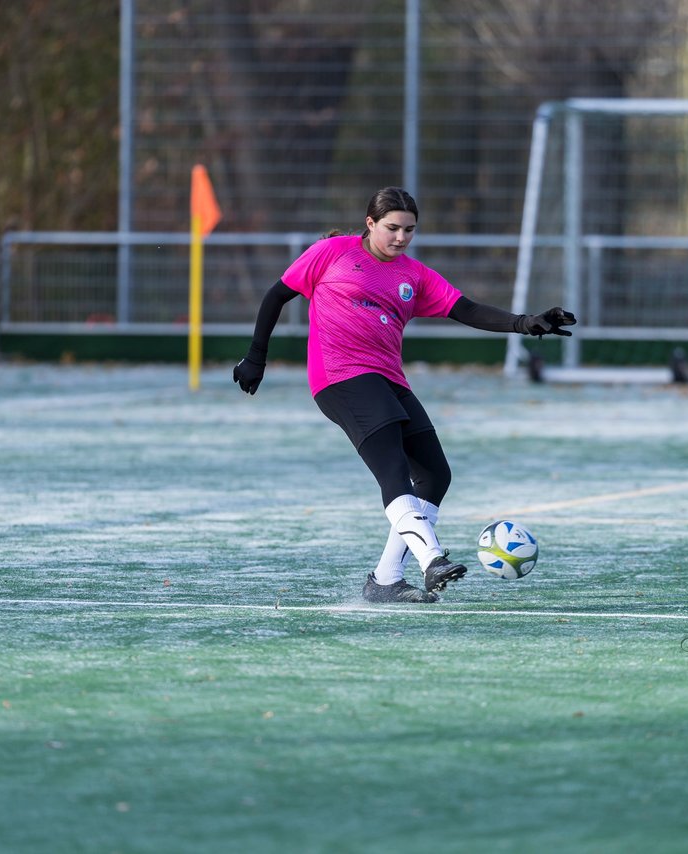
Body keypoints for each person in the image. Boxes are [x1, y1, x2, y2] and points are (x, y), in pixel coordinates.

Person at [233, 187, 575, 604]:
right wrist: (256, 357)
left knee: (435, 474)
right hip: (340, 377)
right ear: (370, 223)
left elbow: (466, 309)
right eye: (392, 228)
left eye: (409, 230)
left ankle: (385, 580)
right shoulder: (331, 253)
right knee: (393, 469)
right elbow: (276, 295)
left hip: (388, 379)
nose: (400, 238)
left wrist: (526, 323)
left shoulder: (413, 275)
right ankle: (431, 559)